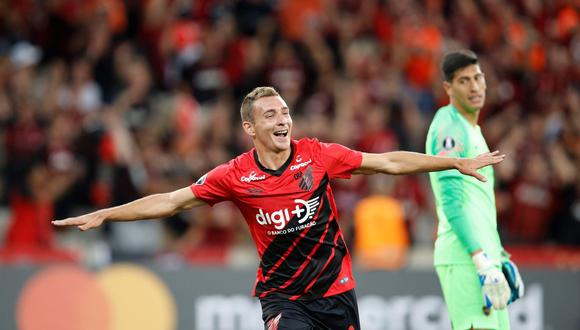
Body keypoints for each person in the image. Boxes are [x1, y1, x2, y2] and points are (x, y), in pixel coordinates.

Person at [54, 86, 504, 329]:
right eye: (270, 115)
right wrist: (108, 212)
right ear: (250, 128)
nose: (283, 120)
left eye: (285, 112)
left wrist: (454, 161)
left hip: (337, 293)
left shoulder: (318, 155)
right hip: (283, 297)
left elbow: (386, 162)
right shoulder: (234, 174)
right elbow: (171, 202)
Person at [425, 50, 525, 330]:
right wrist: (481, 261)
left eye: (477, 78)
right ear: (448, 88)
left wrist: (498, 255)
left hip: (481, 255)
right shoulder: (450, 128)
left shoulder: (471, 129)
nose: (474, 86)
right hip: (465, 257)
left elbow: (476, 204)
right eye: (463, 81)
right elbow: (452, 202)